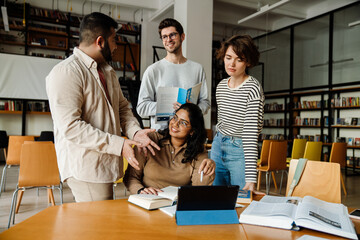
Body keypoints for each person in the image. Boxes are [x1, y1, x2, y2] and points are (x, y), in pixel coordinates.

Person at [46, 12, 159, 202]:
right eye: (114, 40)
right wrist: (120, 144)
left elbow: (123, 108)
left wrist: (135, 132)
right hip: (86, 167)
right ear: (100, 41)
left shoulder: (108, 71)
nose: (116, 46)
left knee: (102, 226)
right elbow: (71, 127)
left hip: (105, 165)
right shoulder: (66, 72)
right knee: (95, 228)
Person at [210, 35, 264, 191]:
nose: (231, 64)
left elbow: (250, 133)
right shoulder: (221, 86)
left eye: (239, 59)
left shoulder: (253, 88)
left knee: (241, 200)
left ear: (247, 62)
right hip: (218, 145)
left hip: (240, 149)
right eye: (228, 57)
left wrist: (251, 178)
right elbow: (222, 122)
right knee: (216, 198)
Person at [124, 103, 215, 195]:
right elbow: (131, 177)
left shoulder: (198, 150)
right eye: (175, 117)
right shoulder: (149, 140)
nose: (175, 124)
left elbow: (198, 190)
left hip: (177, 204)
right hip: (147, 200)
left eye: (183, 122)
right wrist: (140, 190)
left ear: (192, 131)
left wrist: (208, 171)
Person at [136, 18, 210, 130]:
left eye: (172, 35)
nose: (168, 39)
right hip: (161, 135)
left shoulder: (197, 69)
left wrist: (190, 109)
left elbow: (205, 103)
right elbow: (141, 108)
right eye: (164, 37)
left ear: (182, 37)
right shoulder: (153, 70)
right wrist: (167, 105)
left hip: (189, 133)